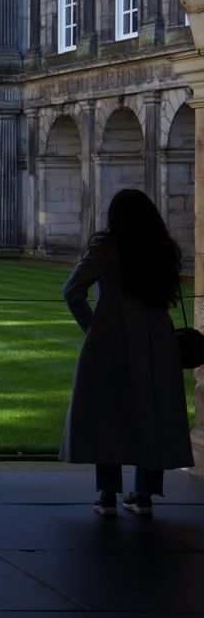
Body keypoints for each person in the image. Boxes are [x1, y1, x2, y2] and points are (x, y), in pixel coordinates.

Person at [62, 187, 196, 516]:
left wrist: (92, 326)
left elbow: (72, 290)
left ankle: (108, 494)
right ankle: (144, 495)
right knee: (154, 411)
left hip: (112, 338)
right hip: (157, 340)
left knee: (107, 415)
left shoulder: (107, 245)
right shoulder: (161, 247)